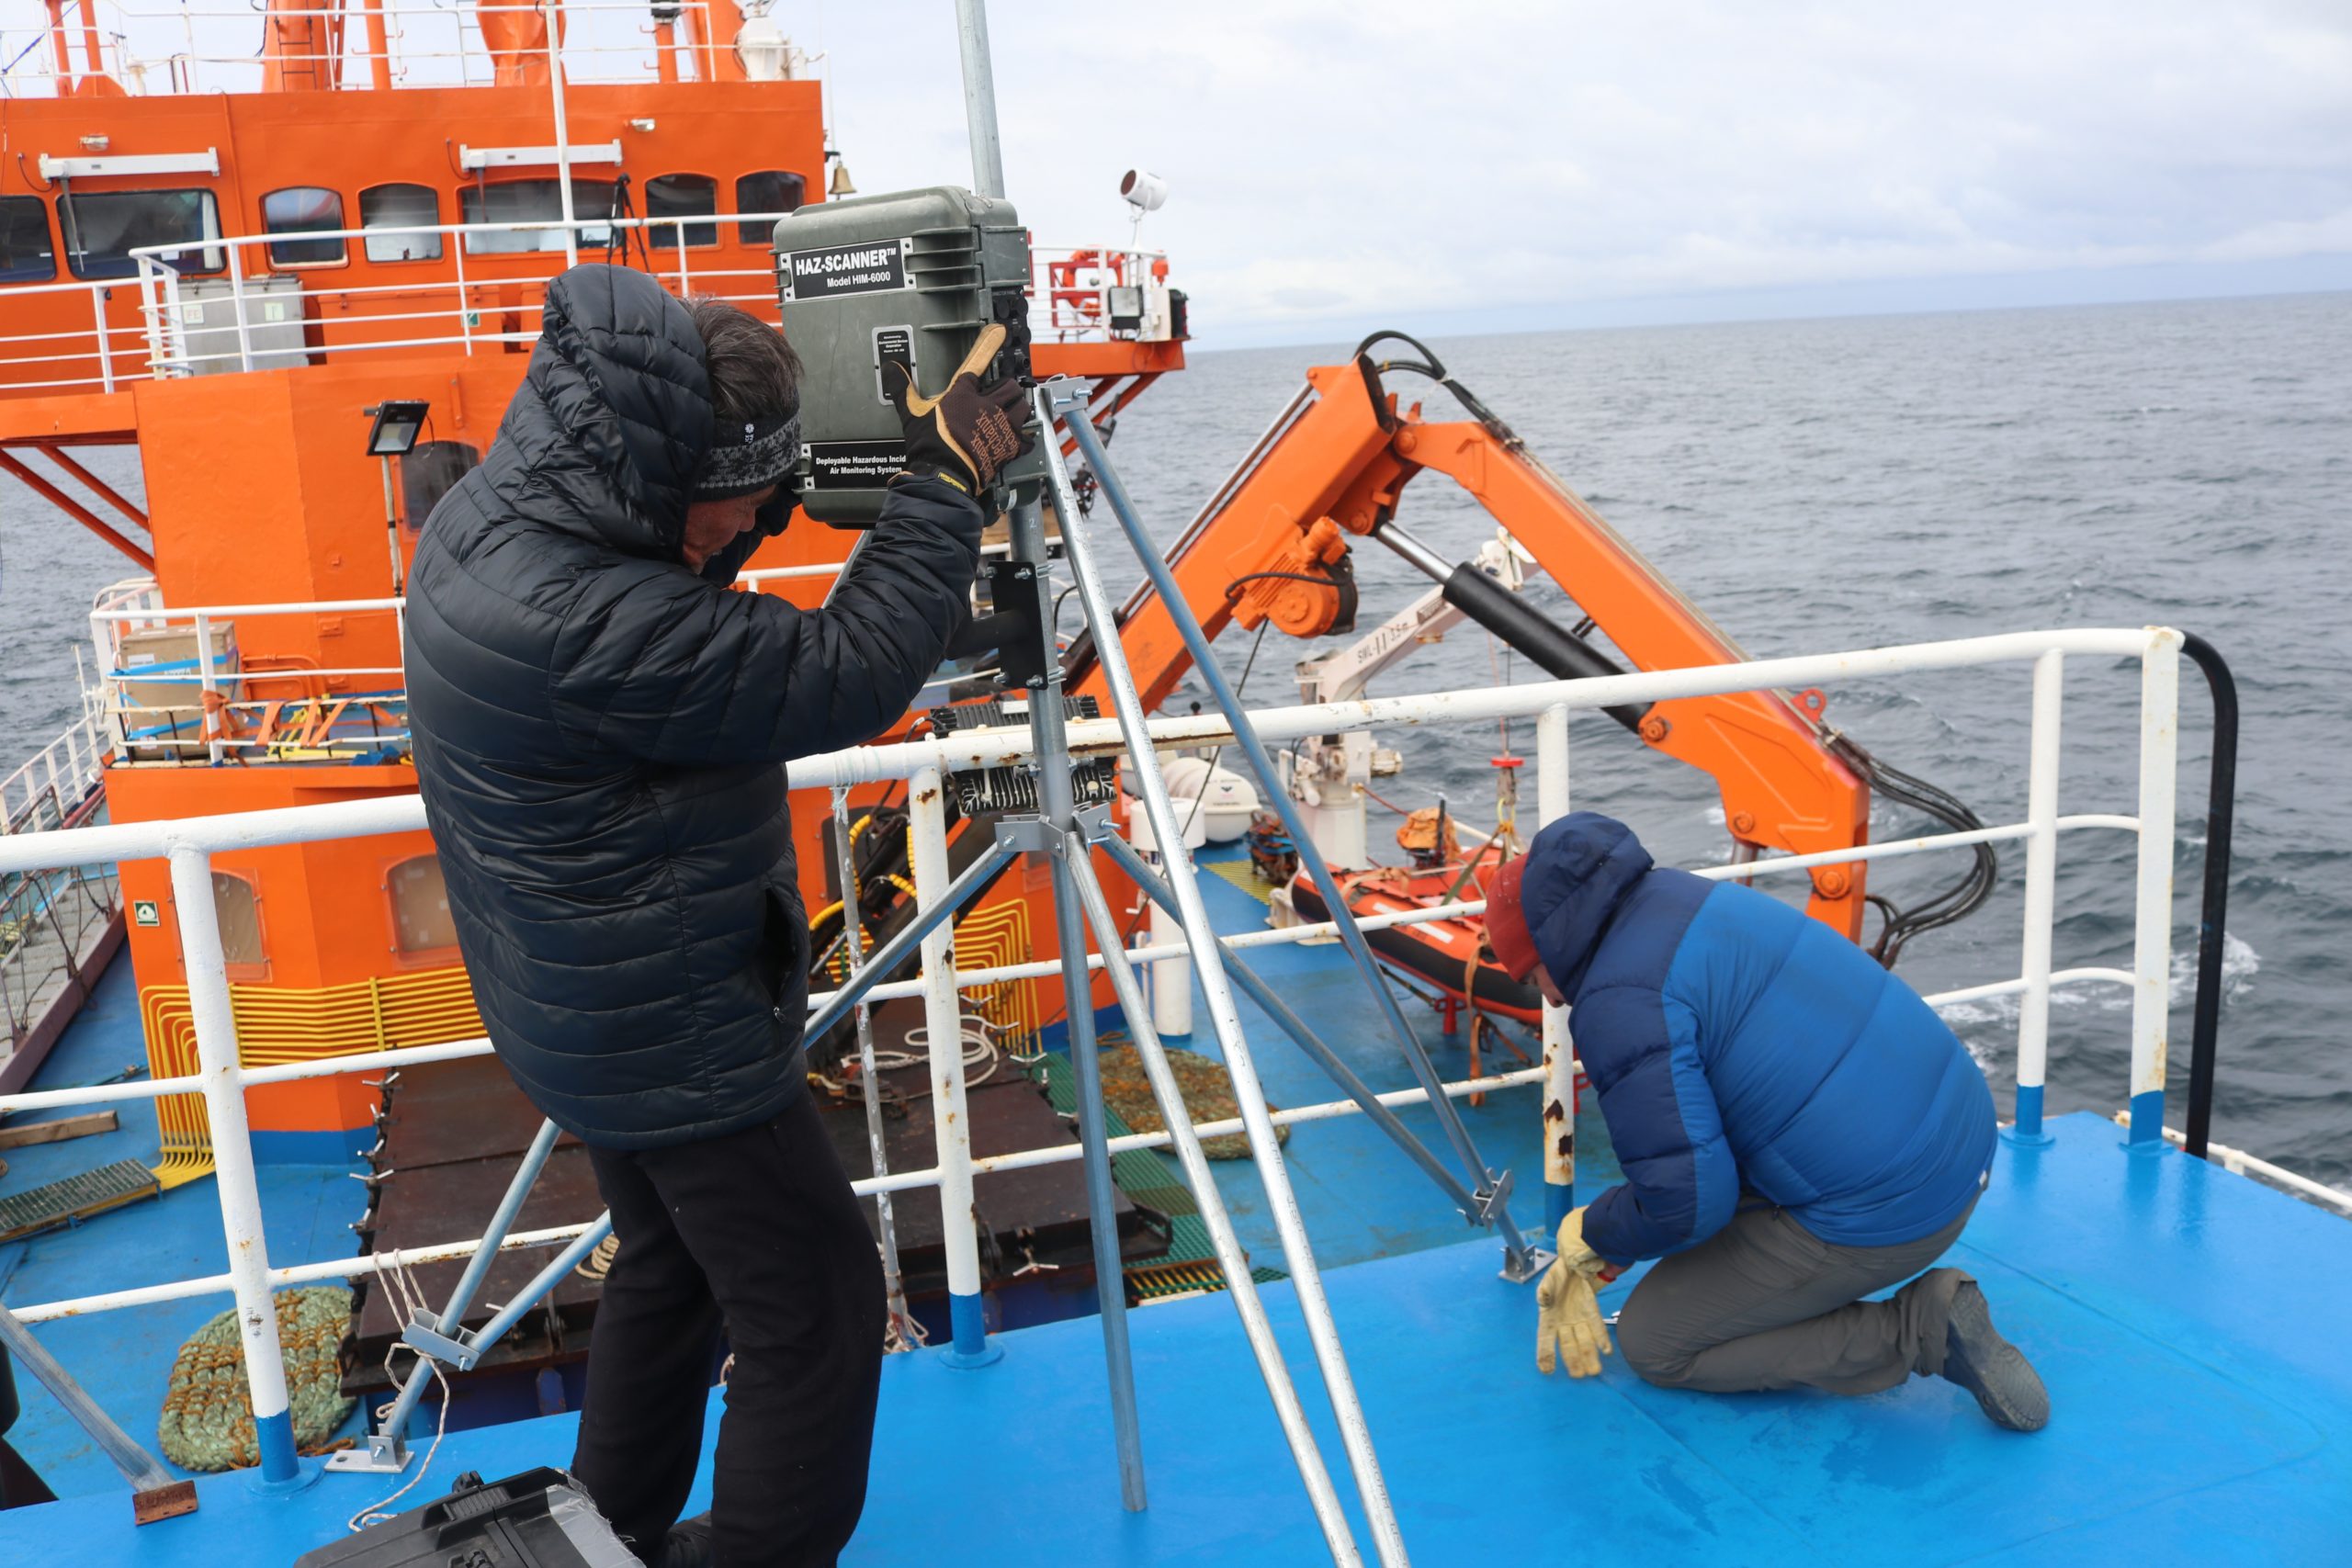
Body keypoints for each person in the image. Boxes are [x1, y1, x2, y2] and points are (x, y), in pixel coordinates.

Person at [402, 264, 1033, 1566]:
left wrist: (741, 507)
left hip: (575, 989)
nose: (748, 524)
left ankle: (607, 1532)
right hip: (666, 1014)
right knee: (816, 1297)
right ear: (675, 474)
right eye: (742, 502)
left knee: (669, 1263)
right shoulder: (589, 614)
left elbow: (669, 573)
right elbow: (838, 669)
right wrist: (945, 486)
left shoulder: (504, 507)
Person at [1483, 811, 2048, 1431]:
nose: (1552, 999)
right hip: (1963, 1133)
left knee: (1656, 1341)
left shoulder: (1619, 1000)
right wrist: (1627, 1239)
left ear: (1549, 947)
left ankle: (1919, 1330)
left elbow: (1687, 1202)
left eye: (1534, 978)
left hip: (1893, 1208)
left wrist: (1594, 1232)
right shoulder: (1682, 895)